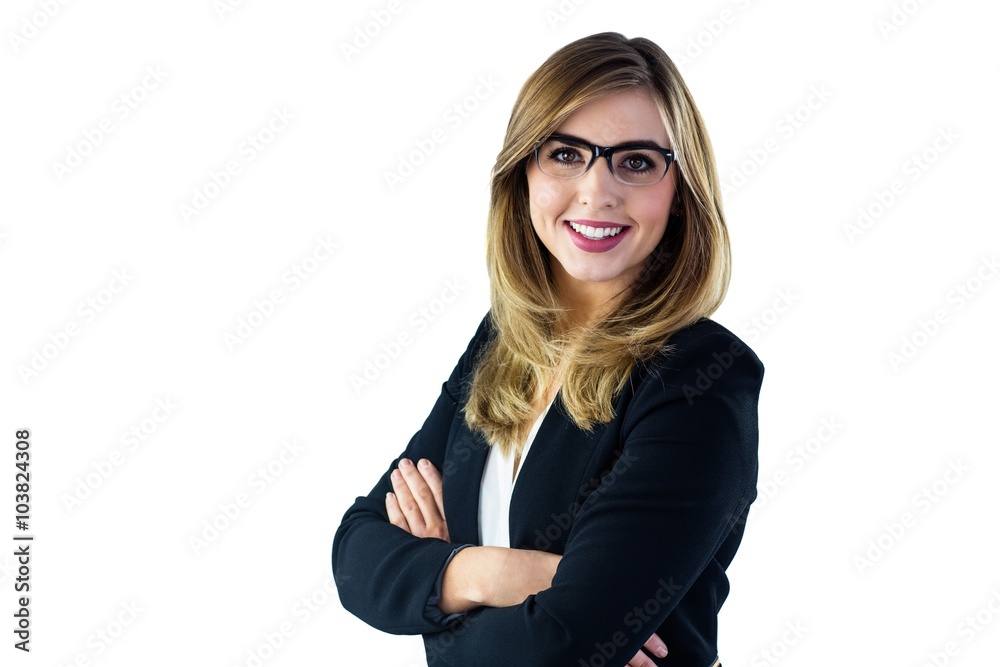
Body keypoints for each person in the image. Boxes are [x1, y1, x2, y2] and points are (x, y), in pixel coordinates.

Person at [332, 32, 763, 667]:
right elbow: (357, 554)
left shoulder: (700, 377)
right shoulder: (505, 343)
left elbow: (565, 644)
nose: (597, 192)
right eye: (565, 154)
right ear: (523, 173)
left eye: (637, 162)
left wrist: (436, 592)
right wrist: (490, 573)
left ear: (681, 190)